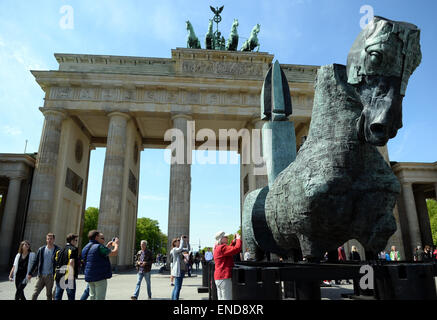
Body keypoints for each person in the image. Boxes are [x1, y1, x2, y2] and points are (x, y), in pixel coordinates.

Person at [81, 230, 119, 300]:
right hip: (99, 277)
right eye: (102, 238)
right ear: (96, 237)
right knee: (100, 298)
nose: (104, 240)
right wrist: (116, 244)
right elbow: (114, 253)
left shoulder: (85, 247)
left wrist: (107, 247)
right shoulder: (99, 247)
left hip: (89, 276)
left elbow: (95, 256)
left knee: (92, 297)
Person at [27, 233, 60, 300]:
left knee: (49, 294)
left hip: (50, 276)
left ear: (54, 240)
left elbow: (60, 263)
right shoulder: (41, 249)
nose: (49, 240)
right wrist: (30, 273)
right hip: (41, 275)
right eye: (48, 239)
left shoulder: (58, 250)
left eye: (51, 239)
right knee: (35, 293)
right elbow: (36, 262)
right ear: (46, 240)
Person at [213, 231, 242, 300]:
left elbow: (229, 250)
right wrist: (238, 239)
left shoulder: (217, 247)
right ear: (221, 239)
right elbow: (237, 249)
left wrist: (233, 242)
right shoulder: (222, 248)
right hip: (224, 277)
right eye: (225, 237)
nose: (227, 238)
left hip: (218, 277)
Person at [54, 233, 80, 300]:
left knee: (58, 296)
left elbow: (55, 262)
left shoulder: (59, 250)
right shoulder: (73, 249)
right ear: (72, 241)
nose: (76, 242)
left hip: (59, 275)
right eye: (76, 240)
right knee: (70, 296)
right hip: (68, 276)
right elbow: (71, 262)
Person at [170, 235, 190, 300]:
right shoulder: (174, 249)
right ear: (174, 243)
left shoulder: (179, 249)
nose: (179, 241)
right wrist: (182, 239)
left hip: (182, 269)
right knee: (178, 287)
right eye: (178, 241)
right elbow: (180, 249)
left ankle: (173, 298)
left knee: (176, 286)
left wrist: (187, 242)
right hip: (178, 270)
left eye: (179, 240)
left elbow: (188, 249)